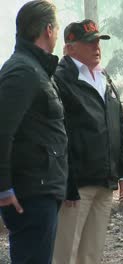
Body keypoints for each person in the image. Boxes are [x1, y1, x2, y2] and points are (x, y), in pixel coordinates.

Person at [52, 19, 123, 264]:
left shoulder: (104, 78)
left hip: (105, 180)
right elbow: (58, 134)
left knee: (92, 253)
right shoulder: (60, 79)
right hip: (76, 184)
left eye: (98, 41)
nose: (96, 47)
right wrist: (66, 180)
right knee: (66, 251)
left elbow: (119, 125)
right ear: (70, 47)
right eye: (89, 42)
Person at [0, 1, 67, 263]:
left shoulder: (37, 69)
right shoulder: (23, 71)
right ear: (49, 30)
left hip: (42, 189)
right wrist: (4, 187)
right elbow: (3, 130)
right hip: (31, 192)